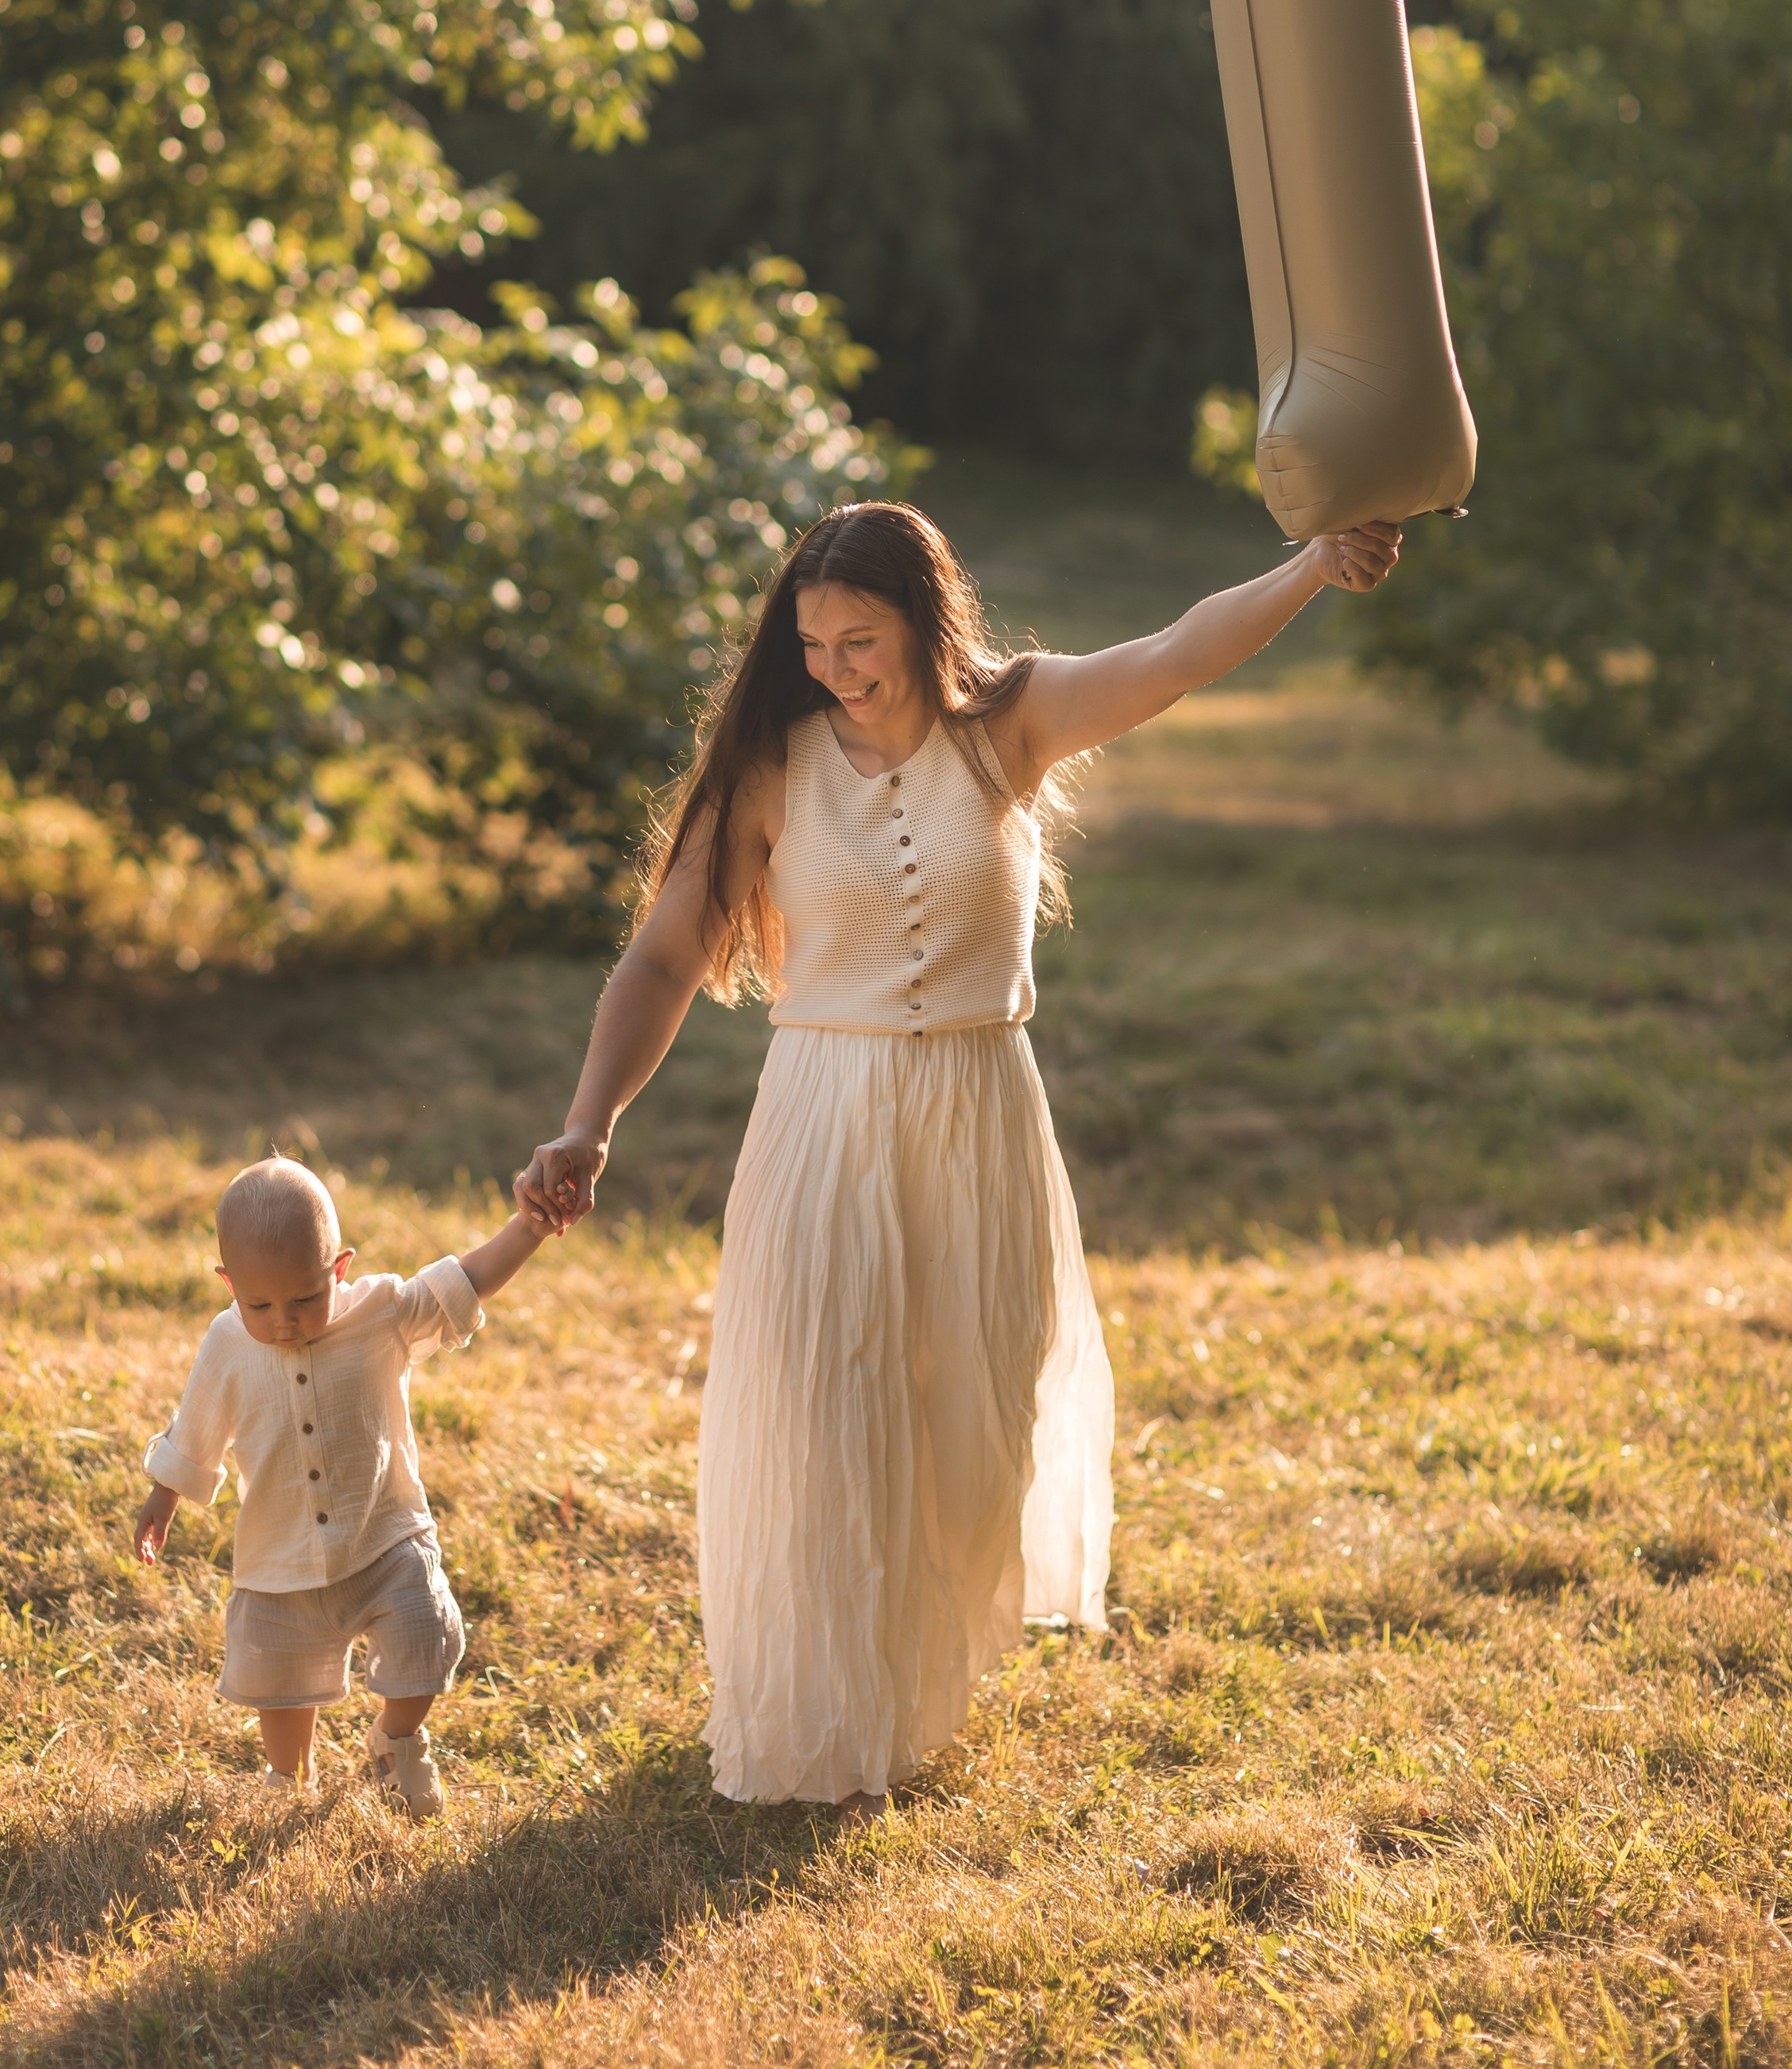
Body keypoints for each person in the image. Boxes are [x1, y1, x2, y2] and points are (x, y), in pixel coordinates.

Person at [515, 498, 1400, 1812]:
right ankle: (823, 1719)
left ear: (927, 623)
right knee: (827, 1410)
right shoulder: (774, 767)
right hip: (826, 1111)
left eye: (861, 640)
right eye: (812, 643)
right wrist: (588, 1121)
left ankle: (914, 1686)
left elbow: (1175, 655)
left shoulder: (1011, 728)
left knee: (969, 1420)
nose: (835, 668)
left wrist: (1315, 570)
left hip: (982, 1112)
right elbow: (660, 959)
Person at [132, 1155, 548, 1811]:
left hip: (385, 1536)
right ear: (227, 1283)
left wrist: (526, 1228)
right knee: (281, 1679)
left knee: (427, 1634)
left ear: (340, 1268)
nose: (284, 1320)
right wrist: (165, 1495)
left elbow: (460, 1285)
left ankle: (397, 1738)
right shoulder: (226, 1343)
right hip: (280, 1557)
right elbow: (198, 1421)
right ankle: (288, 1774)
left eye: (305, 1297)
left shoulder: (382, 1312)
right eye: (258, 1303)